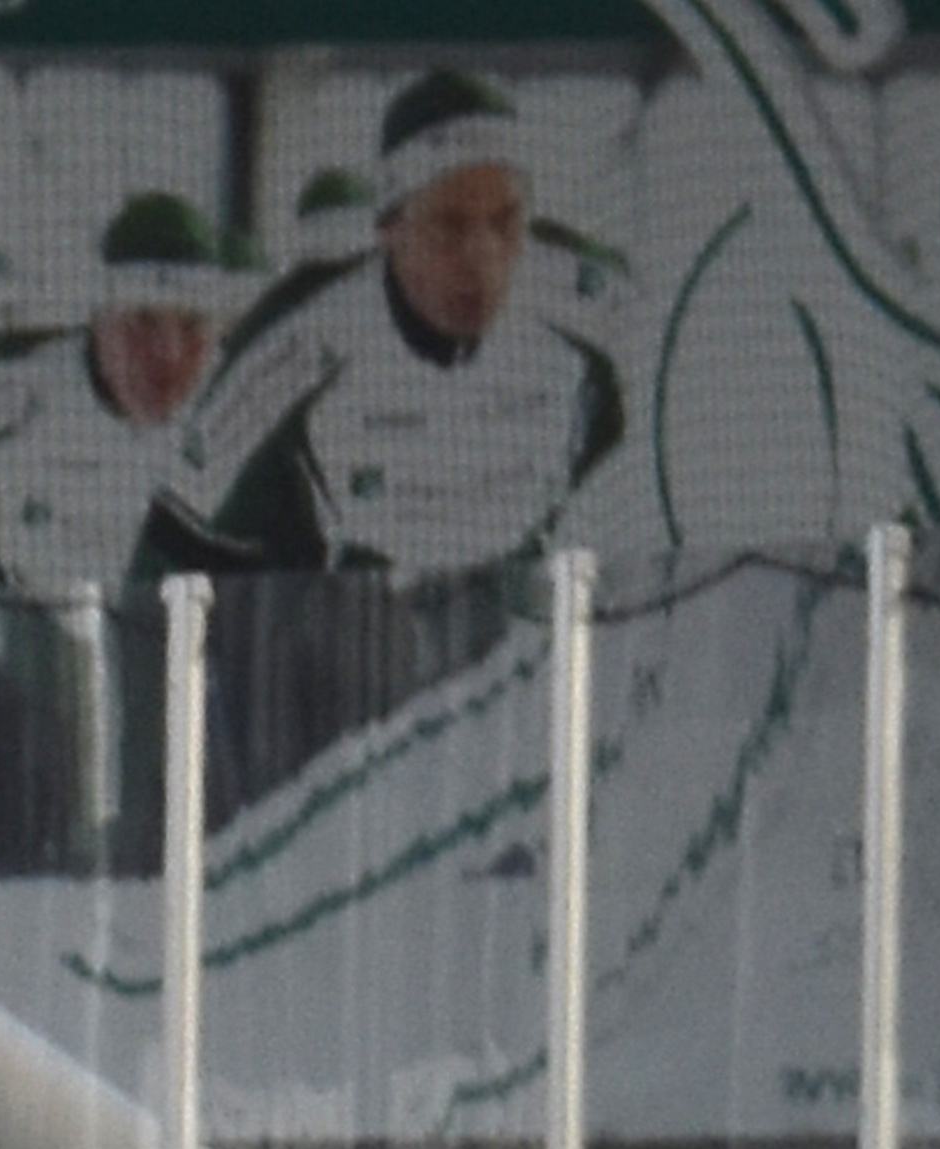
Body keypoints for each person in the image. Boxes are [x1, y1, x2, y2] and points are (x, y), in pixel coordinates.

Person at [153, 73, 631, 807]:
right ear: (389, 226)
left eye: (506, 223)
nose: (482, 259)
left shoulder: (588, 312)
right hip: (364, 653)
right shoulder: (301, 341)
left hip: (525, 638)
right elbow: (183, 524)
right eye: (448, 227)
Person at [0, 191, 253, 875]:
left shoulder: (242, 407)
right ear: (99, 319)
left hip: (167, 650)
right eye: (143, 323)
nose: (168, 352)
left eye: (193, 326)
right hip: (33, 644)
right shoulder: (13, 391)